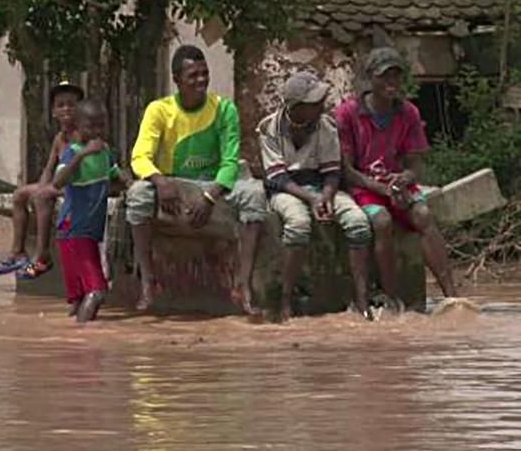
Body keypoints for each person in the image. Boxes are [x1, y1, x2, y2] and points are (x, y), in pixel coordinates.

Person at [127, 44, 267, 314]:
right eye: (193, 76)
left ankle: (244, 285)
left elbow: (229, 162)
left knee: (254, 194)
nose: (201, 80)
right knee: (137, 195)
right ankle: (147, 281)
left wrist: (209, 196)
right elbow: (139, 157)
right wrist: (160, 181)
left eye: (204, 74)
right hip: (174, 185)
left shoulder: (224, 109)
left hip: (213, 186)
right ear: (177, 80)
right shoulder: (159, 110)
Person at [335, 47, 458, 307]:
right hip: (365, 185)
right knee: (381, 221)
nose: (391, 83)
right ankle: (391, 298)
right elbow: (347, 171)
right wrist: (382, 189)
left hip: (396, 184)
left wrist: (403, 178)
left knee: (423, 215)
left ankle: (452, 297)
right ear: (371, 78)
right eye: (385, 76)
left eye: (396, 77)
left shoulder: (408, 113)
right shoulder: (348, 114)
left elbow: (415, 164)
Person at [259, 71, 374, 321]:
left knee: (358, 223)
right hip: (285, 189)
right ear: (297, 107)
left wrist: (325, 197)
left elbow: (333, 171)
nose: (321, 106)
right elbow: (277, 177)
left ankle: (362, 299)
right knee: (298, 225)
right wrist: (311, 200)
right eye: (314, 103)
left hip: (321, 186)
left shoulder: (326, 126)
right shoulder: (269, 128)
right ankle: (286, 299)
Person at [0, 82, 83, 278]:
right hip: (59, 185)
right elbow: (49, 168)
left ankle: (42, 254)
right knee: (20, 194)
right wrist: (42, 185)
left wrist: (46, 190)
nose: (66, 109)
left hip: (78, 186)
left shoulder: (82, 136)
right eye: (61, 105)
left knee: (42, 197)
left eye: (71, 105)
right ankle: (17, 252)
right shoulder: (59, 138)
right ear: (54, 112)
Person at [53, 99, 128, 322]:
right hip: (74, 231)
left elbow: (117, 176)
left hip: (90, 233)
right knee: (97, 292)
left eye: (101, 126)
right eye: (90, 127)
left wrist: (128, 181)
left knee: (80, 299)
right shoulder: (72, 153)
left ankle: (72, 343)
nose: (96, 132)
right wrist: (82, 155)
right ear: (76, 127)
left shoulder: (105, 153)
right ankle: (86, 344)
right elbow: (58, 182)